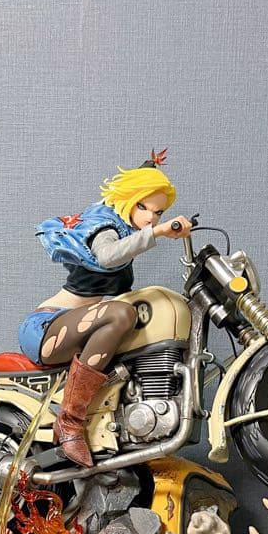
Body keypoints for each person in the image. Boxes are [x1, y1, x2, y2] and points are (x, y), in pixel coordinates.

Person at [18, 150, 193, 467]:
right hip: (47, 328)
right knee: (121, 313)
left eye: (158, 212)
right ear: (128, 201)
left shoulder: (127, 230)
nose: (151, 218)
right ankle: (69, 422)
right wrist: (157, 232)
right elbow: (107, 256)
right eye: (144, 207)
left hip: (78, 330)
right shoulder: (104, 227)